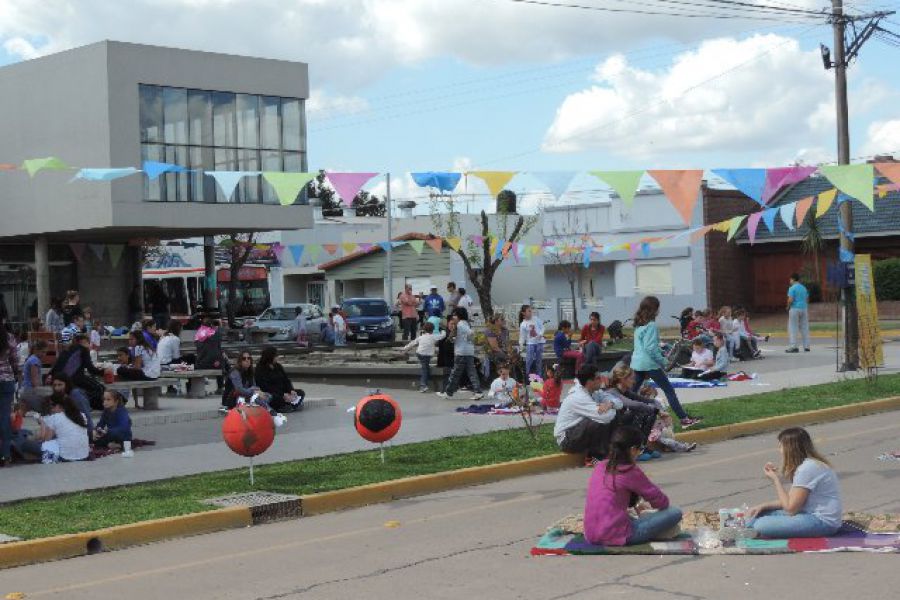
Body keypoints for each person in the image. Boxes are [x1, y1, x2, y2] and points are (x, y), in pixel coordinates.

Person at [583, 427, 683, 546]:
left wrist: (637, 505)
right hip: (618, 535)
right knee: (675, 512)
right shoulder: (630, 471)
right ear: (632, 450)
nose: (640, 453)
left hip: (590, 534)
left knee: (628, 515)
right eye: (640, 449)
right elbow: (661, 501)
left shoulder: (600, 466)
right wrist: (653, 511)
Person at [747, 427, 843, 538]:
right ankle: (746, 525)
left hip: (823, 522)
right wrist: (763, 506)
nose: (780, 450)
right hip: (808, 514)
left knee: (761, 524)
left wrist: (776, 480)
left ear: (790, 448)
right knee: (759, 513)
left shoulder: (808, 468)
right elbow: (791, 500)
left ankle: (748, 527)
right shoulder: (808, 465)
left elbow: (790, 508)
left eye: (781, 446)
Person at [630, 296, 702, 429]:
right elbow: (650, 348)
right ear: (654, 309)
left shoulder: (638, 325)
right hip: (650, 364)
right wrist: (663, 361)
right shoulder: (651, 325)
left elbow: (642, 346)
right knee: (669, 390)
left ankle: (624, 418)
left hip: (637, 364)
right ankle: (684, 419)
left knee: (631, 393)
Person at [554, 364, 620, 462]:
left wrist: (610, 404)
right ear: (589, 382)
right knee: (597, 421)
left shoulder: (595, 392)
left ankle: (610, 452)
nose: (601, 380)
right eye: (598, 378)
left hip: (578, 434)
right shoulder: (579, 397)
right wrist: (610, 408)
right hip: (567, 440)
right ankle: (595, 458)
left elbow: (619, 403)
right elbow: (604, 417)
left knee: (615, 416)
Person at [606, 366, 660, 458]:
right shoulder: (612, 392)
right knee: (638, 412)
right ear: (623, 379)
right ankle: (637, 450)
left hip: (620, 423)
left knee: (649, 413)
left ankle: (642, 446)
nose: (634, 381)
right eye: (631, 379)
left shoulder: (626, 391)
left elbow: (645, 400)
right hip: (611, 428)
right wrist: (655, 410)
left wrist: (657, 405)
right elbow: (633, 404)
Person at [20, 394, 90, 463]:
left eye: (53, 405)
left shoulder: (56, 417)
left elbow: (46, 439)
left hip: (64, 456)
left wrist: (42, 423)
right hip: (84, 455)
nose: (51, 409)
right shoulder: (82, 415)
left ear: (60, 406)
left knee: (26, 444)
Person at [437, 307, 483, 400]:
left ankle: (448, 392)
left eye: (454, 314)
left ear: (459, 315)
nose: (453, 316)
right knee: (471, 372)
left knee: (455, 373)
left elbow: (470, 333)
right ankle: (478, 391)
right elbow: (466, 335)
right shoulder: (466, 323)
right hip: (469, 351)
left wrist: (470, 337)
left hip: (461, 352)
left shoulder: (461, 324)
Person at [50, 333, 106, 410]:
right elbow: (91, 369)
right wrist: (103, 372)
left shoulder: (65, 351)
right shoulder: (83, 350)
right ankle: (90, 406)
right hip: (76, 378)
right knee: (100, 388)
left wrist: (50, 376)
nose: (88, 345)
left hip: (61, 378)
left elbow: (56, 367)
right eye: (87, 343)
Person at [644, 385, 697, 454]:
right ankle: (684, 447)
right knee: (663, 439)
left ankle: (672, 447)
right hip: (650, 428)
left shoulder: (655, 402)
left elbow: (664, 414)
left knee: (666, 428)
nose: (651, 396)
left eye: (652, 394)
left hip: (658, 426)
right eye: (648, 394)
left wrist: (664, 418)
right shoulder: (642, 403)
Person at [255, 346, 305, 413]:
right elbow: (265, 387)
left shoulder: (278, 366)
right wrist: (283, 394)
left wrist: (291, 390)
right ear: (270, 356)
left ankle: (289, 405)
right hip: (272, 393)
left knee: (301, 393)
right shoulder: (260, 369)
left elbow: (286, 380)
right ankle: (288, 405)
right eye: (275, 355)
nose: (277, 357)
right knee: (275, 397)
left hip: (284, 391)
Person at [403, 321, 446, 393]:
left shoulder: (421, 337)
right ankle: (423, 385)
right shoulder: (434, 337)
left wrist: (405, 349)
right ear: (432, 330)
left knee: (425, 367)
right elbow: (443, 335)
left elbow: (412, 343)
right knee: (424, 369)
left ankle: (424, 383)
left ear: (424, 330)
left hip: (420, 354)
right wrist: (443, 330)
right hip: (427, 355)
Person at [0, 321, 20, 467]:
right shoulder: (8, 337)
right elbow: (14, 360)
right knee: (5, 417)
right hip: (6, 379)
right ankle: (5, 456)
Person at [786, 274, 810, 353]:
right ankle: (806, 346)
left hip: (794, 308)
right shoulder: (804, 288)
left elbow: (790, 300)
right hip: (804, 308)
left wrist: (788, 307)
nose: (790, 281)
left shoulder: (792, 288)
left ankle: (794, 346)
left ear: (793, 279)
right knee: (804, 327)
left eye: (790, 280)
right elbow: (807, 298)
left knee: (793, 327)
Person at [519, 305, 545, 379]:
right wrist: (521, 346)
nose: (531, 312)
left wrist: (540, 334)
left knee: (538, 361)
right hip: (530, 343)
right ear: (523, 313)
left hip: (539, 342)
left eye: (531, 311)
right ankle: (526, 377)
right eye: (529, 311)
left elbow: (542, 327)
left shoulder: (536, 319)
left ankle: (539, 378)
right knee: (529, 360)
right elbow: (522, 336)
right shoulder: (523, 324)